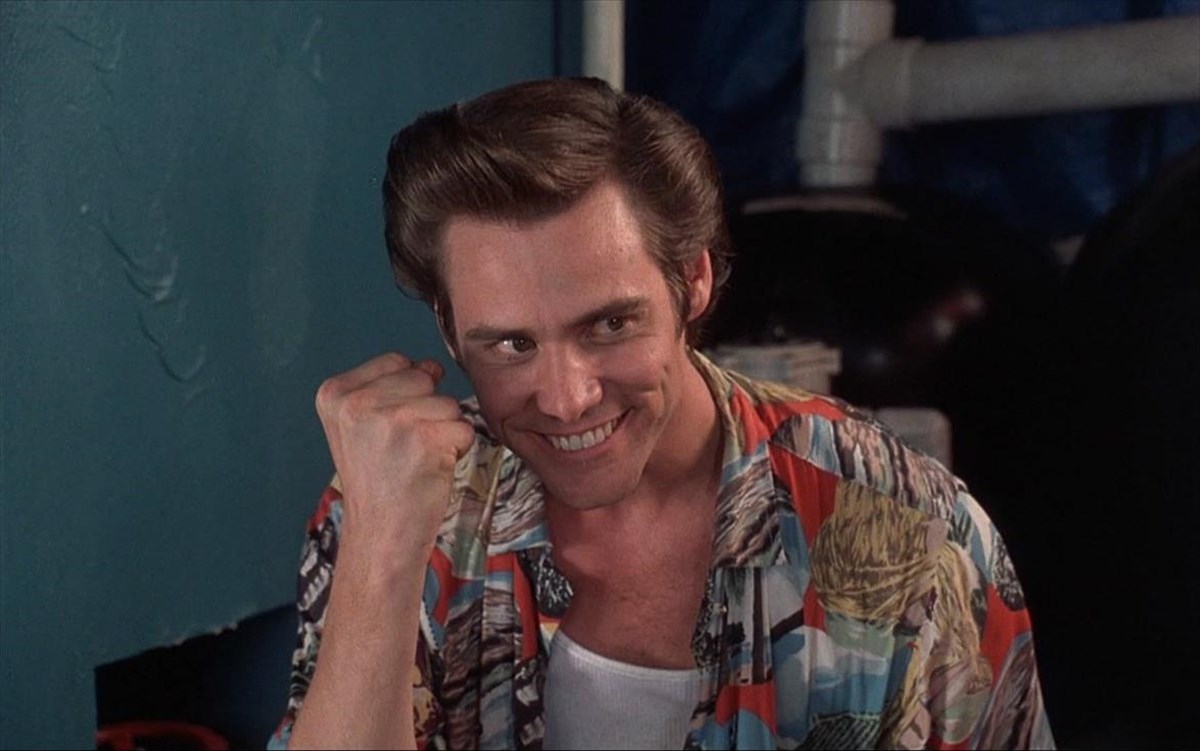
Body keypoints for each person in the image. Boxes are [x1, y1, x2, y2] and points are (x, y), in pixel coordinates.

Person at [269, 77, 1053, 750]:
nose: (567, 397)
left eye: (610, 324)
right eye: (511, 344)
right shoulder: (397, 505)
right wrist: (381, 548)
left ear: (694, 279)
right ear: (448, 329)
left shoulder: (913, 527)